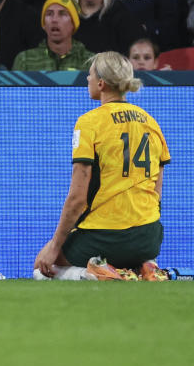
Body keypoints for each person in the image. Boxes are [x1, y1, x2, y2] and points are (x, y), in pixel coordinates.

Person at [34, 52, 169, 281]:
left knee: (42, 269)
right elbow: (156, 193)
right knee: (127, 253)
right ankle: (143, 268)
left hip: (105, 236)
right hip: (149, 238)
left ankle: (94, 273)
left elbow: (77, 199)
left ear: (101, 83)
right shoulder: (151, 123)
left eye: (89, 75)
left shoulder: (89, 122)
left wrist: (55, 245)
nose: (87, 79)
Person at [13, 0, 94, 71]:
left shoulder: (91, 62)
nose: (54, 19)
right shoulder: (25, 60)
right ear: (44, 24)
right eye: (49, 14)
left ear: (73, 23)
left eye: (62, 14)